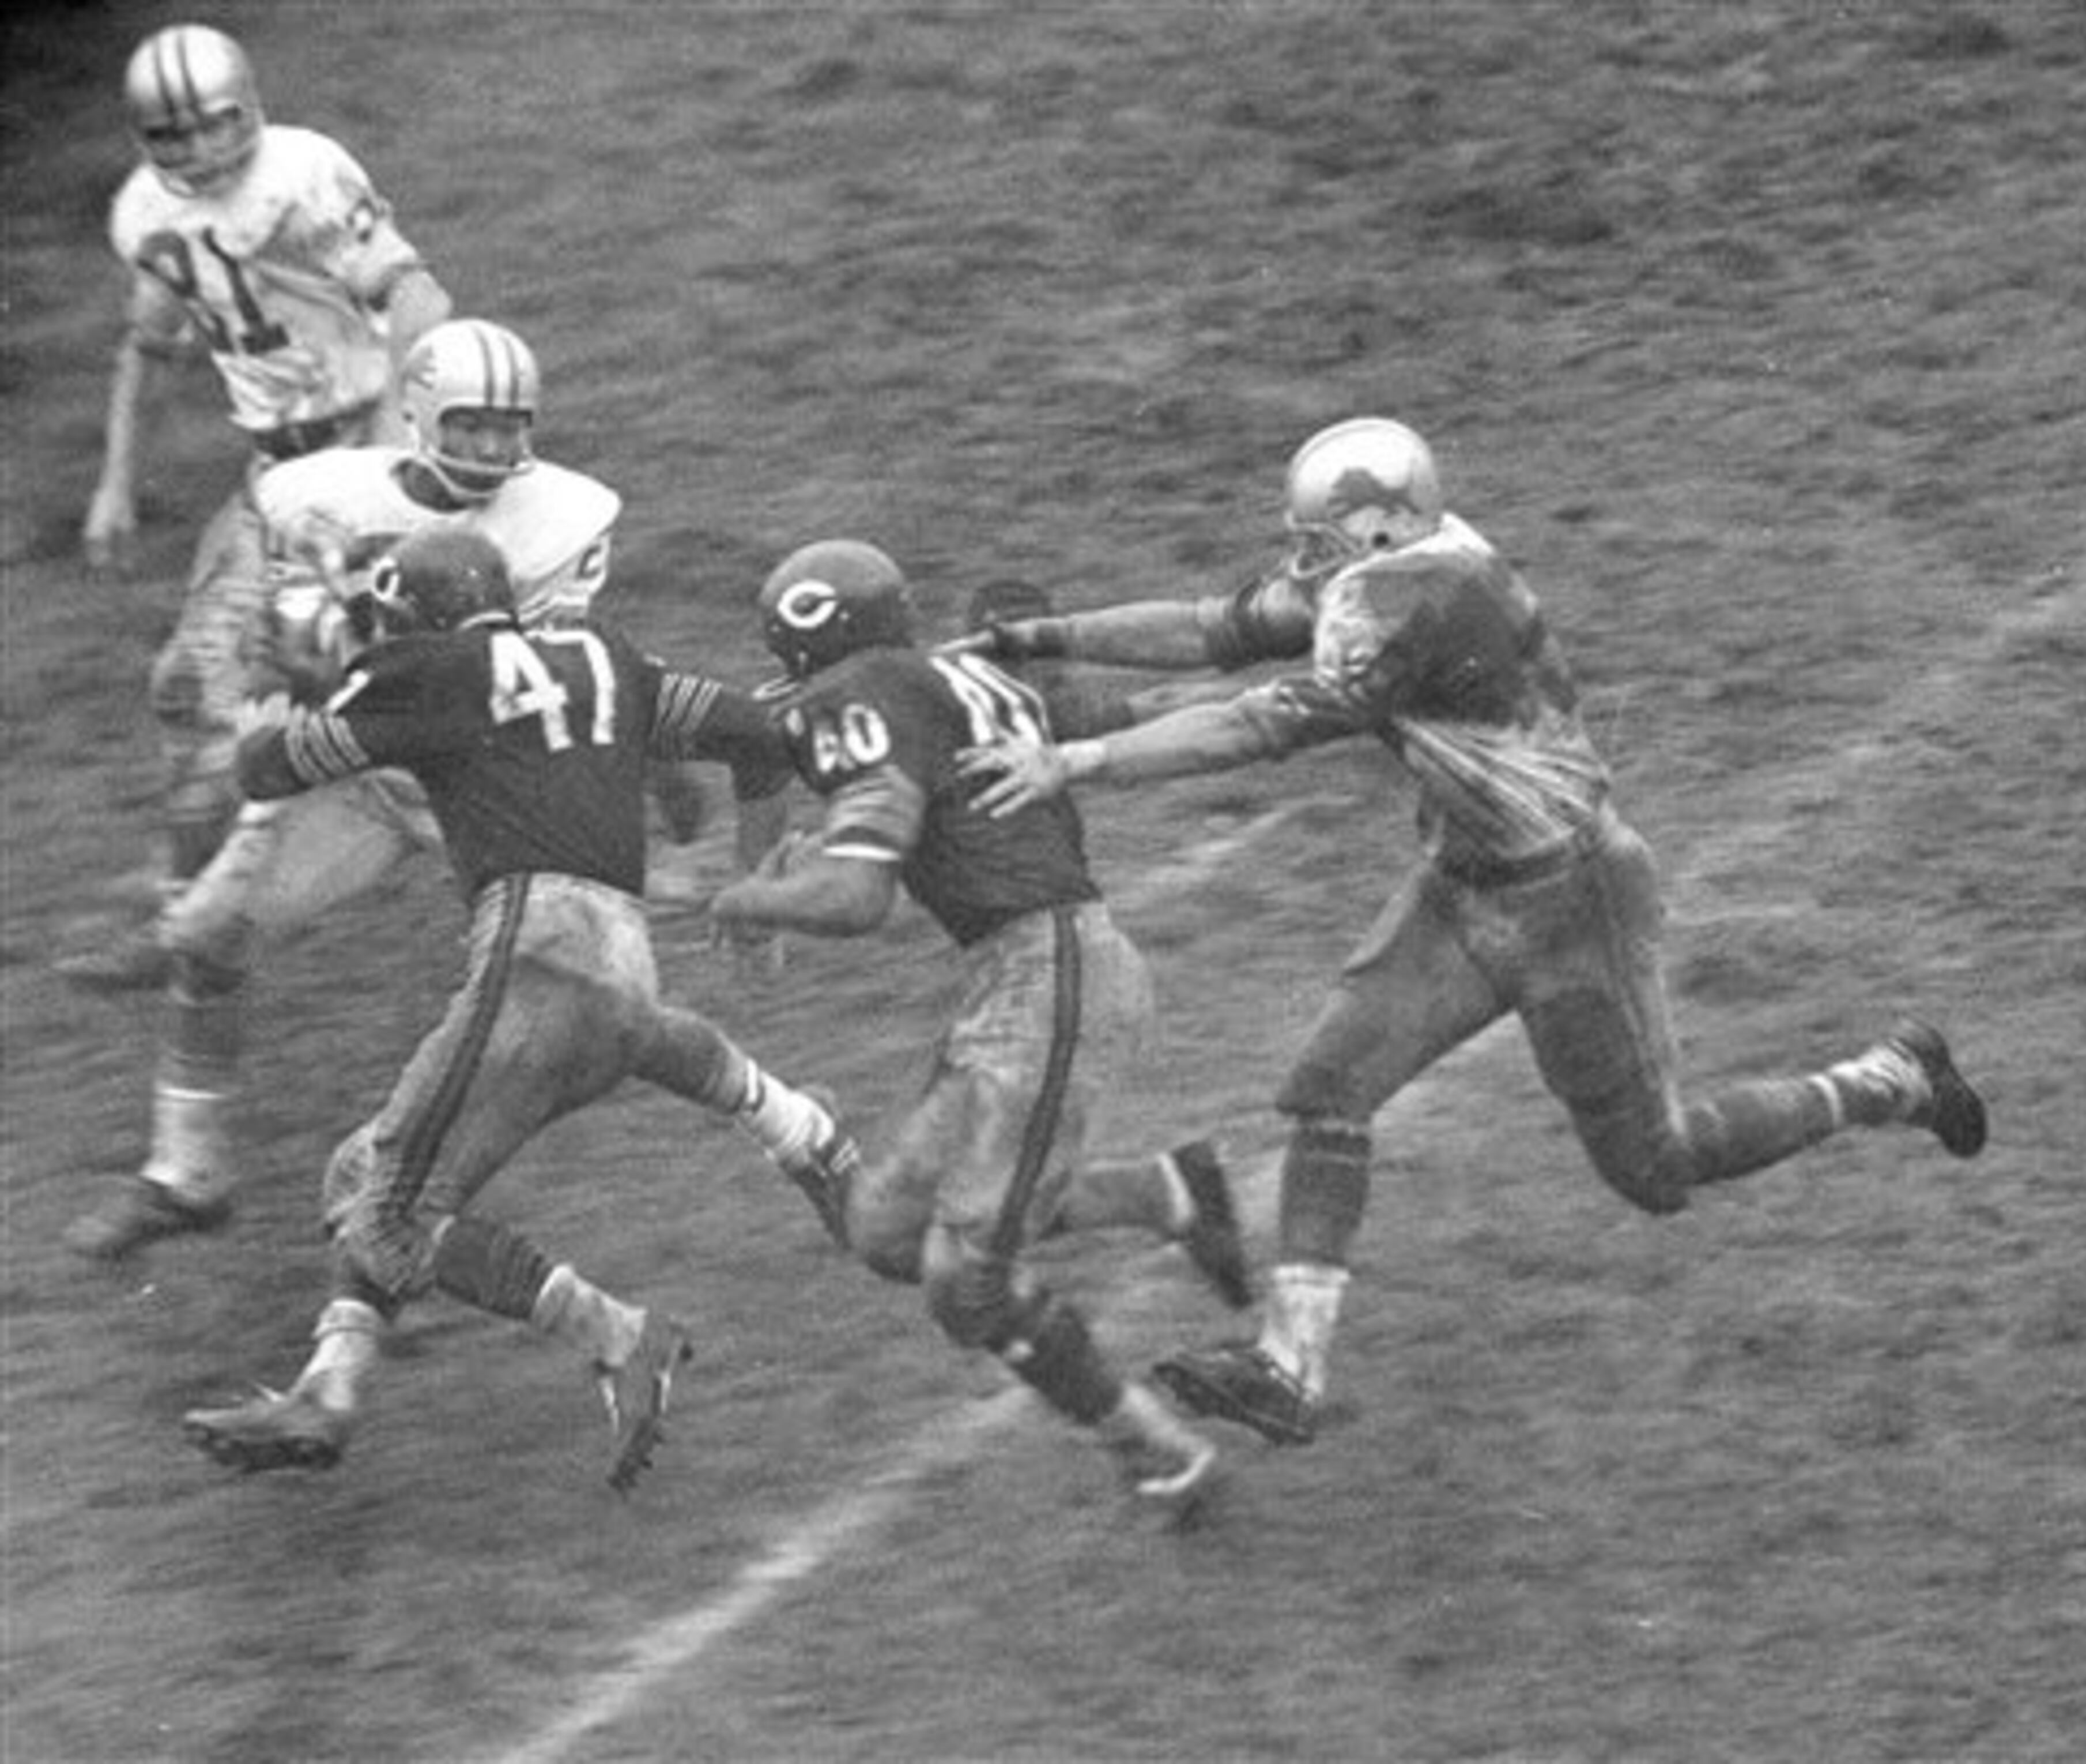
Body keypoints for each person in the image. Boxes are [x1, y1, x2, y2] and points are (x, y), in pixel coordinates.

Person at [959, 415, 1991, 1449]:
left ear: (1373, 531)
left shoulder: (1414, 599)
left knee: (1658, 1168)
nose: (1301, 558)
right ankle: (1291, 1368)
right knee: (1328, 1091)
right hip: (1465, 883)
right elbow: (1218, 626)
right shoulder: (1399, 565)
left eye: (1320, 537)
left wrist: (1080, 763)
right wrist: (1048, 639)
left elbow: (1256, 722)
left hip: (1571, 901)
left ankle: (1887, 1079)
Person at [179, 529, 857, 1492]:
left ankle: (624, 1336)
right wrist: (753, 884)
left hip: (534, 949)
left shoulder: (423, 669)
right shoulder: (603, 653)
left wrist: (277, 680)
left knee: (382, 1212)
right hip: (622, 957)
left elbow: (267, 768)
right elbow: (758, 737)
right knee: (372, 1175)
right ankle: (328, 1394)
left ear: (407, 617)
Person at [65, 318, 677, 1261]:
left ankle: (778, 1118)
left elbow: (521, 675)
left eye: (511, 428)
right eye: (471, 425)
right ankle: (188, 1176)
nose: (492, 449)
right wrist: (296, 648)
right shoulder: (316, 496)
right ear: (422, 414)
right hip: (370, 774)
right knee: (215, 942)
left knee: (596, 993)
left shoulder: (562, 518)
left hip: (488, 789)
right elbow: (280, 634)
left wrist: (341, 659)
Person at [707, 540, 1249, 1514]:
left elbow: (860, 893)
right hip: (1022, 979)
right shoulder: (951, 681)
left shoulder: (872, 693)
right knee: (886, 1232)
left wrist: (746, 900)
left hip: (1051, 978)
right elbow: (1130, 713)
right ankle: (1173, 1192)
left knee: (967, 1281)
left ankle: (1156, 1451)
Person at [65, 22, 452, 987]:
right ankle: (185, 895)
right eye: (172, 136)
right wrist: (116, 484)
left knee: (330, 690)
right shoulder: (146, 214)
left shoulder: (305, 177)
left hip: (364, 443)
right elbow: (148, 348)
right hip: (274, 474)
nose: (198, 151)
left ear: (254, 111)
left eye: (215, 127)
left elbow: (419, 299)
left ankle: (205, 915)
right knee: (191, 691)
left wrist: (397, 452)